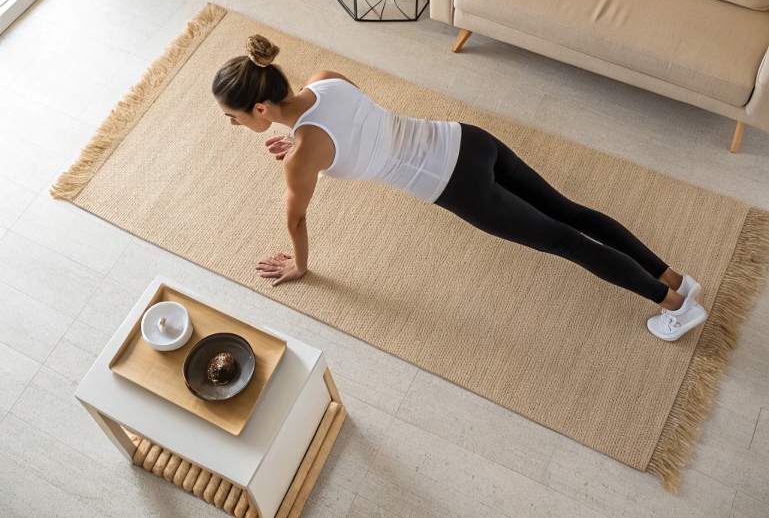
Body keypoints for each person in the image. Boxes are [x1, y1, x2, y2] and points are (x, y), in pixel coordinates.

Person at [212, 34, 709, 342]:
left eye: (232, 117)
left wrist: (300, 263)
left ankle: (676, 306)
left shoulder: (302, 157)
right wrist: (303, 147)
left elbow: (295, 218)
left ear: (259, 110)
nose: (232, 125)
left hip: (459, 185)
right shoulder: (325, 79)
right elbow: (360, 126)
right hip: (467, 139)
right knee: (572, 214)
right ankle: (675, 279)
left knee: (566, 242)